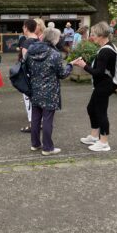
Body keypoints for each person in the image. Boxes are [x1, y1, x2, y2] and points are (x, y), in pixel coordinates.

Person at [25, 26, 73, 155]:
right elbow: (62, 74)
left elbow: (27, 69)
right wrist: (70, 65)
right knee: (47, 119)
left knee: (35, 118)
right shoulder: (54, 54)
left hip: (34, 89)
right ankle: (47, 148)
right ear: (54, 39)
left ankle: (35, 144)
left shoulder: (30, 51)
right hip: (50, 91)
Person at [71, 21, 117, 152]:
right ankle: (94, 135)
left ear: (101, 35)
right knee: (91, 108)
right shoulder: (107, 47)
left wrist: (83, 65)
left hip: (104, 85)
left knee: (101, 112)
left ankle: (104, 142)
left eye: (93, 34)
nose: (92, 37)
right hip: (104, 84)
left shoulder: (105, 52)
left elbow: (98, 72)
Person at [19, 19, 39, 133]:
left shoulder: (26, 43)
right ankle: (39, 122)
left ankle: (33, 124)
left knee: (28, 100)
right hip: (40, 75)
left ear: (26, 28)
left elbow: (25, 62)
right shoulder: (39, 40)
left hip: (29, 76)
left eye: (23, 27)